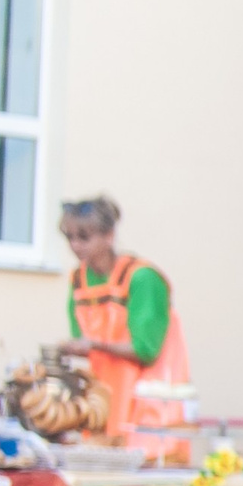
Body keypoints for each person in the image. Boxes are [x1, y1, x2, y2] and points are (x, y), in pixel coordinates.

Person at [58, 196, 191, 460]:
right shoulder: (78, 279)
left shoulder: (142, 278)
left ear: (109, 236)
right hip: (105, 404)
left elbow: (146, 350)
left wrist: (93, 345)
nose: (75, 246)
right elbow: (84, 341)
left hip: (149, 407)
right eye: (70, 237)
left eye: (84, 237)